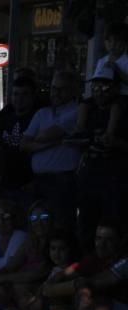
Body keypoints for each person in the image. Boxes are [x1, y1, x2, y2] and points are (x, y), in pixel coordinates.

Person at [74, 68, 128, 254]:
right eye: (95, 86)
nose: (99, 90)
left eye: (104, 86)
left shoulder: (123, 108)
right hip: (89, 176)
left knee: (113, 226)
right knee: (86, 224)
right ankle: (86, 263)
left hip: (115, 178)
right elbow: (78, 134)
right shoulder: (87, 106)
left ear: (115, 87)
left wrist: (117, 143)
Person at [20, 69, 81, 230]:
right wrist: (56, 143)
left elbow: (45, 135)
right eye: (54, 88)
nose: (56, 93)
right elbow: (24, 144)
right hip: (39, 179)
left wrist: (40, 141)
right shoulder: (42, 113)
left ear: (72, 90)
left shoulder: (77, 111)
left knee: (60, 226)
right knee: (36, 226)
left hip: (62, 181)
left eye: (62, 89)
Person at [0, 76, 40, 208]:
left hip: (29, 186)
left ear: (33, 96)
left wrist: (36, 183)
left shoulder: (38, 119)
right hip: (6, 184)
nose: (19, 98)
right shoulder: (5, 119)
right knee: (4, 223)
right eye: (15, 94)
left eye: (24, 94)